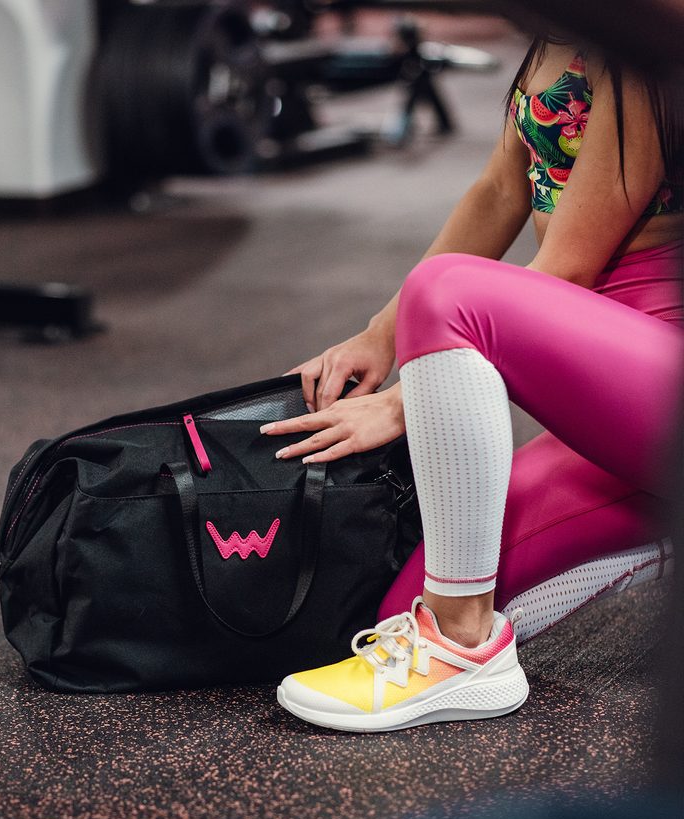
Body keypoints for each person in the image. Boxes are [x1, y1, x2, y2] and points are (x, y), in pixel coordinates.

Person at [260, 36, 684, 732]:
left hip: (661, 364)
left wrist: (403, 401)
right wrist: (378, 335)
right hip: (622, 389)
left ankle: (462, 649)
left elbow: (569, 266)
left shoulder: (640, 42)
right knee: (401, 612)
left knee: (449, 293)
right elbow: (499, 190)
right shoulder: (556, 33)